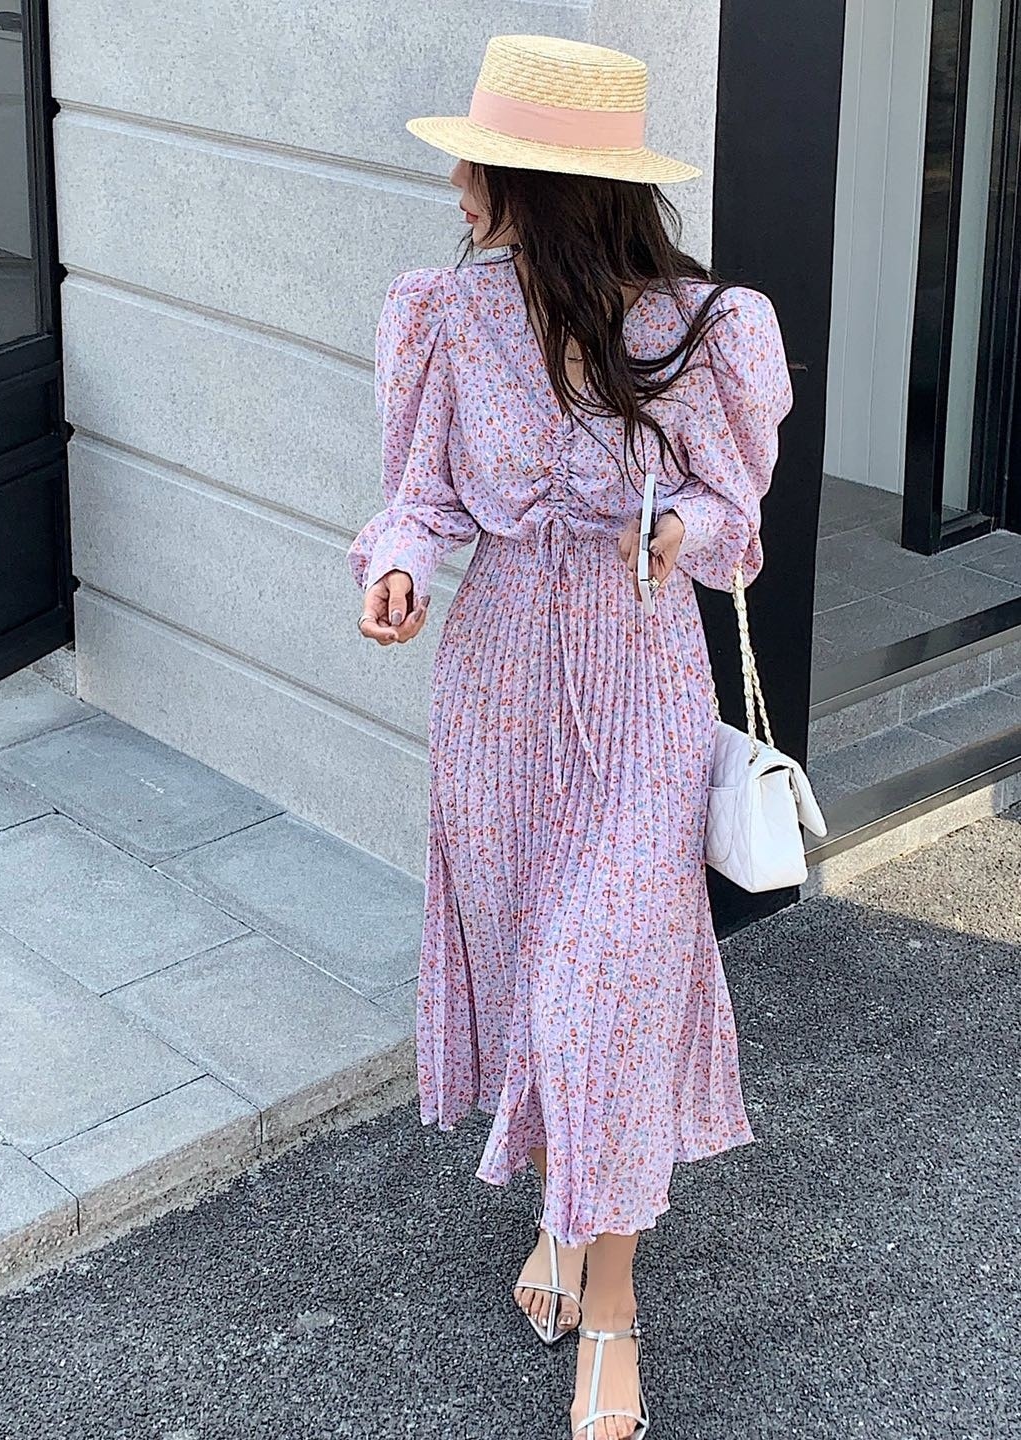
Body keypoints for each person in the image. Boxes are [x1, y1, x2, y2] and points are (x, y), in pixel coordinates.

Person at [347, 33, 793, 1440]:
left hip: (638, 686)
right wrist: (397, 568)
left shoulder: (705, 330)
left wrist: (678, 529)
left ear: (538, 186)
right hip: (496, 697)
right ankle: (564, 1208)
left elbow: (736, 517)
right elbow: (422, 497)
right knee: (540, 979)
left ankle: (613, 1308)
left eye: (478, 162)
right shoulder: (448, 316)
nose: (459, 185)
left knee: (605, 987)